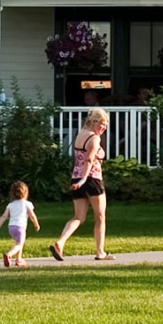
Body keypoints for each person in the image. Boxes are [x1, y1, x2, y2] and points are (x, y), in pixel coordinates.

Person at [51, 107, 111, 261]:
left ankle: (60, 242)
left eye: (105, 125)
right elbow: (89, 159)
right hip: (92, 179)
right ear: (94, 122)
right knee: (100, 217)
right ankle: (100, 252)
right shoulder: (94, 138)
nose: (103, 128)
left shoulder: (80, 135)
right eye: (102, 124)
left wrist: (80, 180)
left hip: (75, 178)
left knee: (78, 217)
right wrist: (85, 179)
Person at [0, 181, 39, 267]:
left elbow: (4, 216)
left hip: (11, 227)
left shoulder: (10, 205)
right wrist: (36, 224)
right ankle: (9, 254)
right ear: (26, 193)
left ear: (12, 193)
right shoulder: (27, 204)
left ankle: (19, 259)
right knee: (19, 244)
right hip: (20, 227)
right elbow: (32, 215)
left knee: (18, 243)